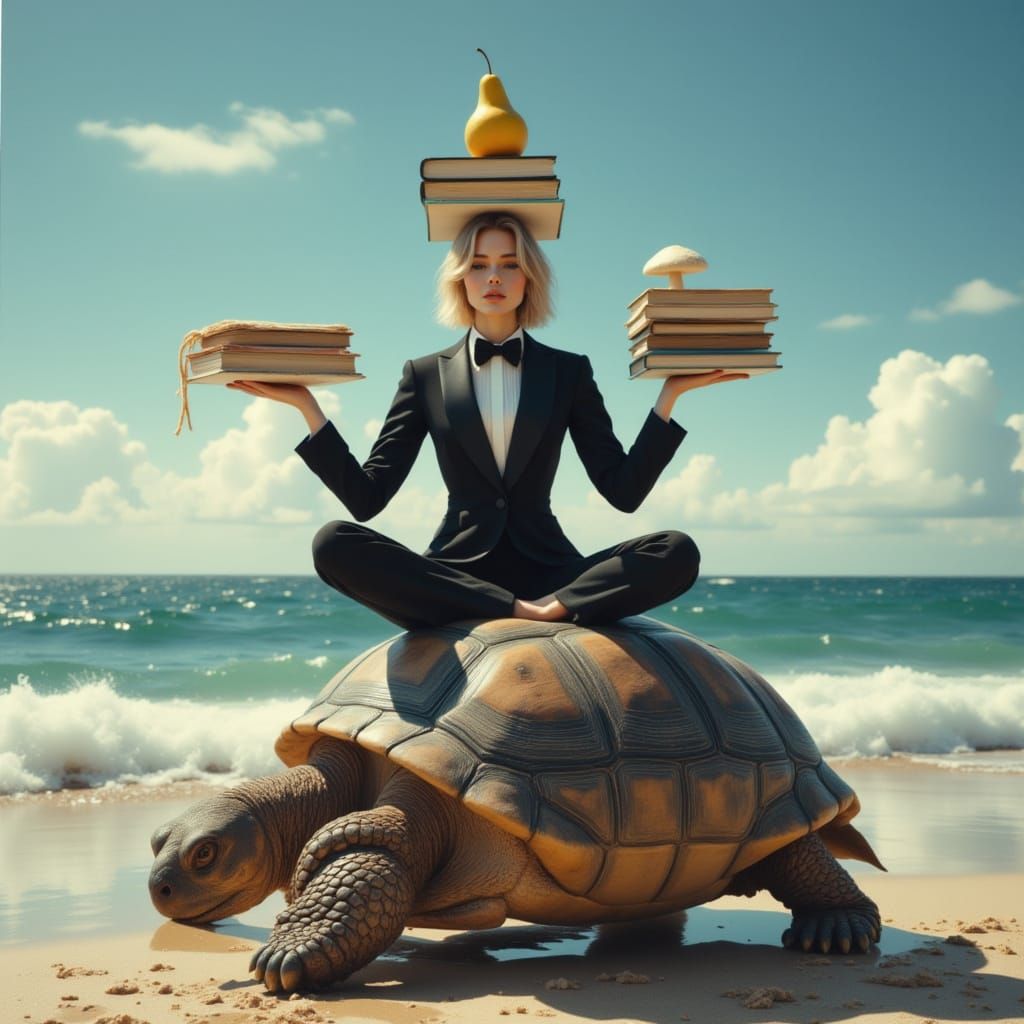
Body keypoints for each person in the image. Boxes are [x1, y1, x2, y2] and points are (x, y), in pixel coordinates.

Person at [228, 212, 746, 629]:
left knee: (678, 550)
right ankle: (517, 611)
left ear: (529, 278)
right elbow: (368, 499)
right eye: (477, 264)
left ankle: (547, 608)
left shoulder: (569, 371)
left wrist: (669, 396)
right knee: (332, 543)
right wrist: (306, 406)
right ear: (461, 279)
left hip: (552, 572)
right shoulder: (424, 374)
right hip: (454, 574)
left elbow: (622, 491)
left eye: (509, 264)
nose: (493, 276)